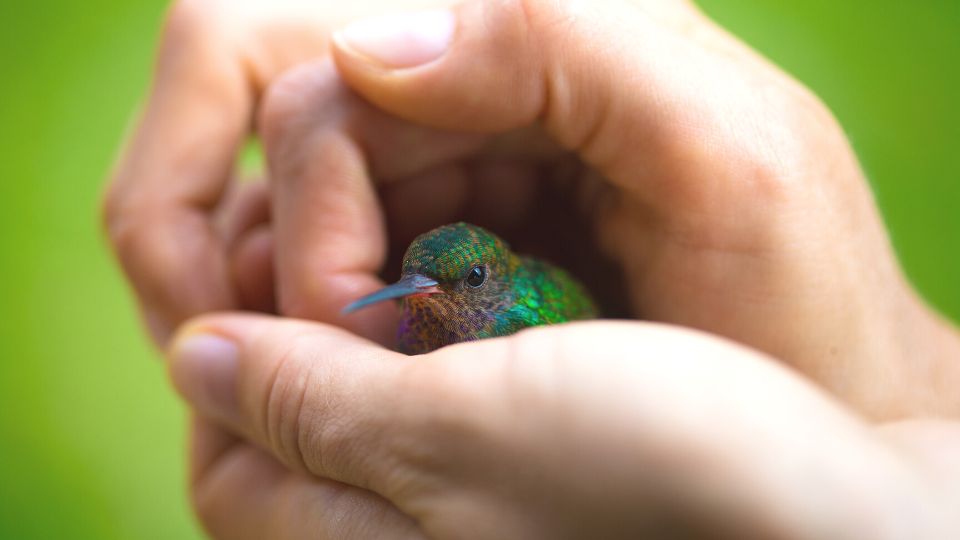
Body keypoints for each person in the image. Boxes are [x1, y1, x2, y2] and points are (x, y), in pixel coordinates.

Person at [103, 0, 960, 537]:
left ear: (493, 287)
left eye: (453, 285)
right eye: (410, 280)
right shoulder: (424, 317)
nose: (416, 296)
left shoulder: (523, 318)